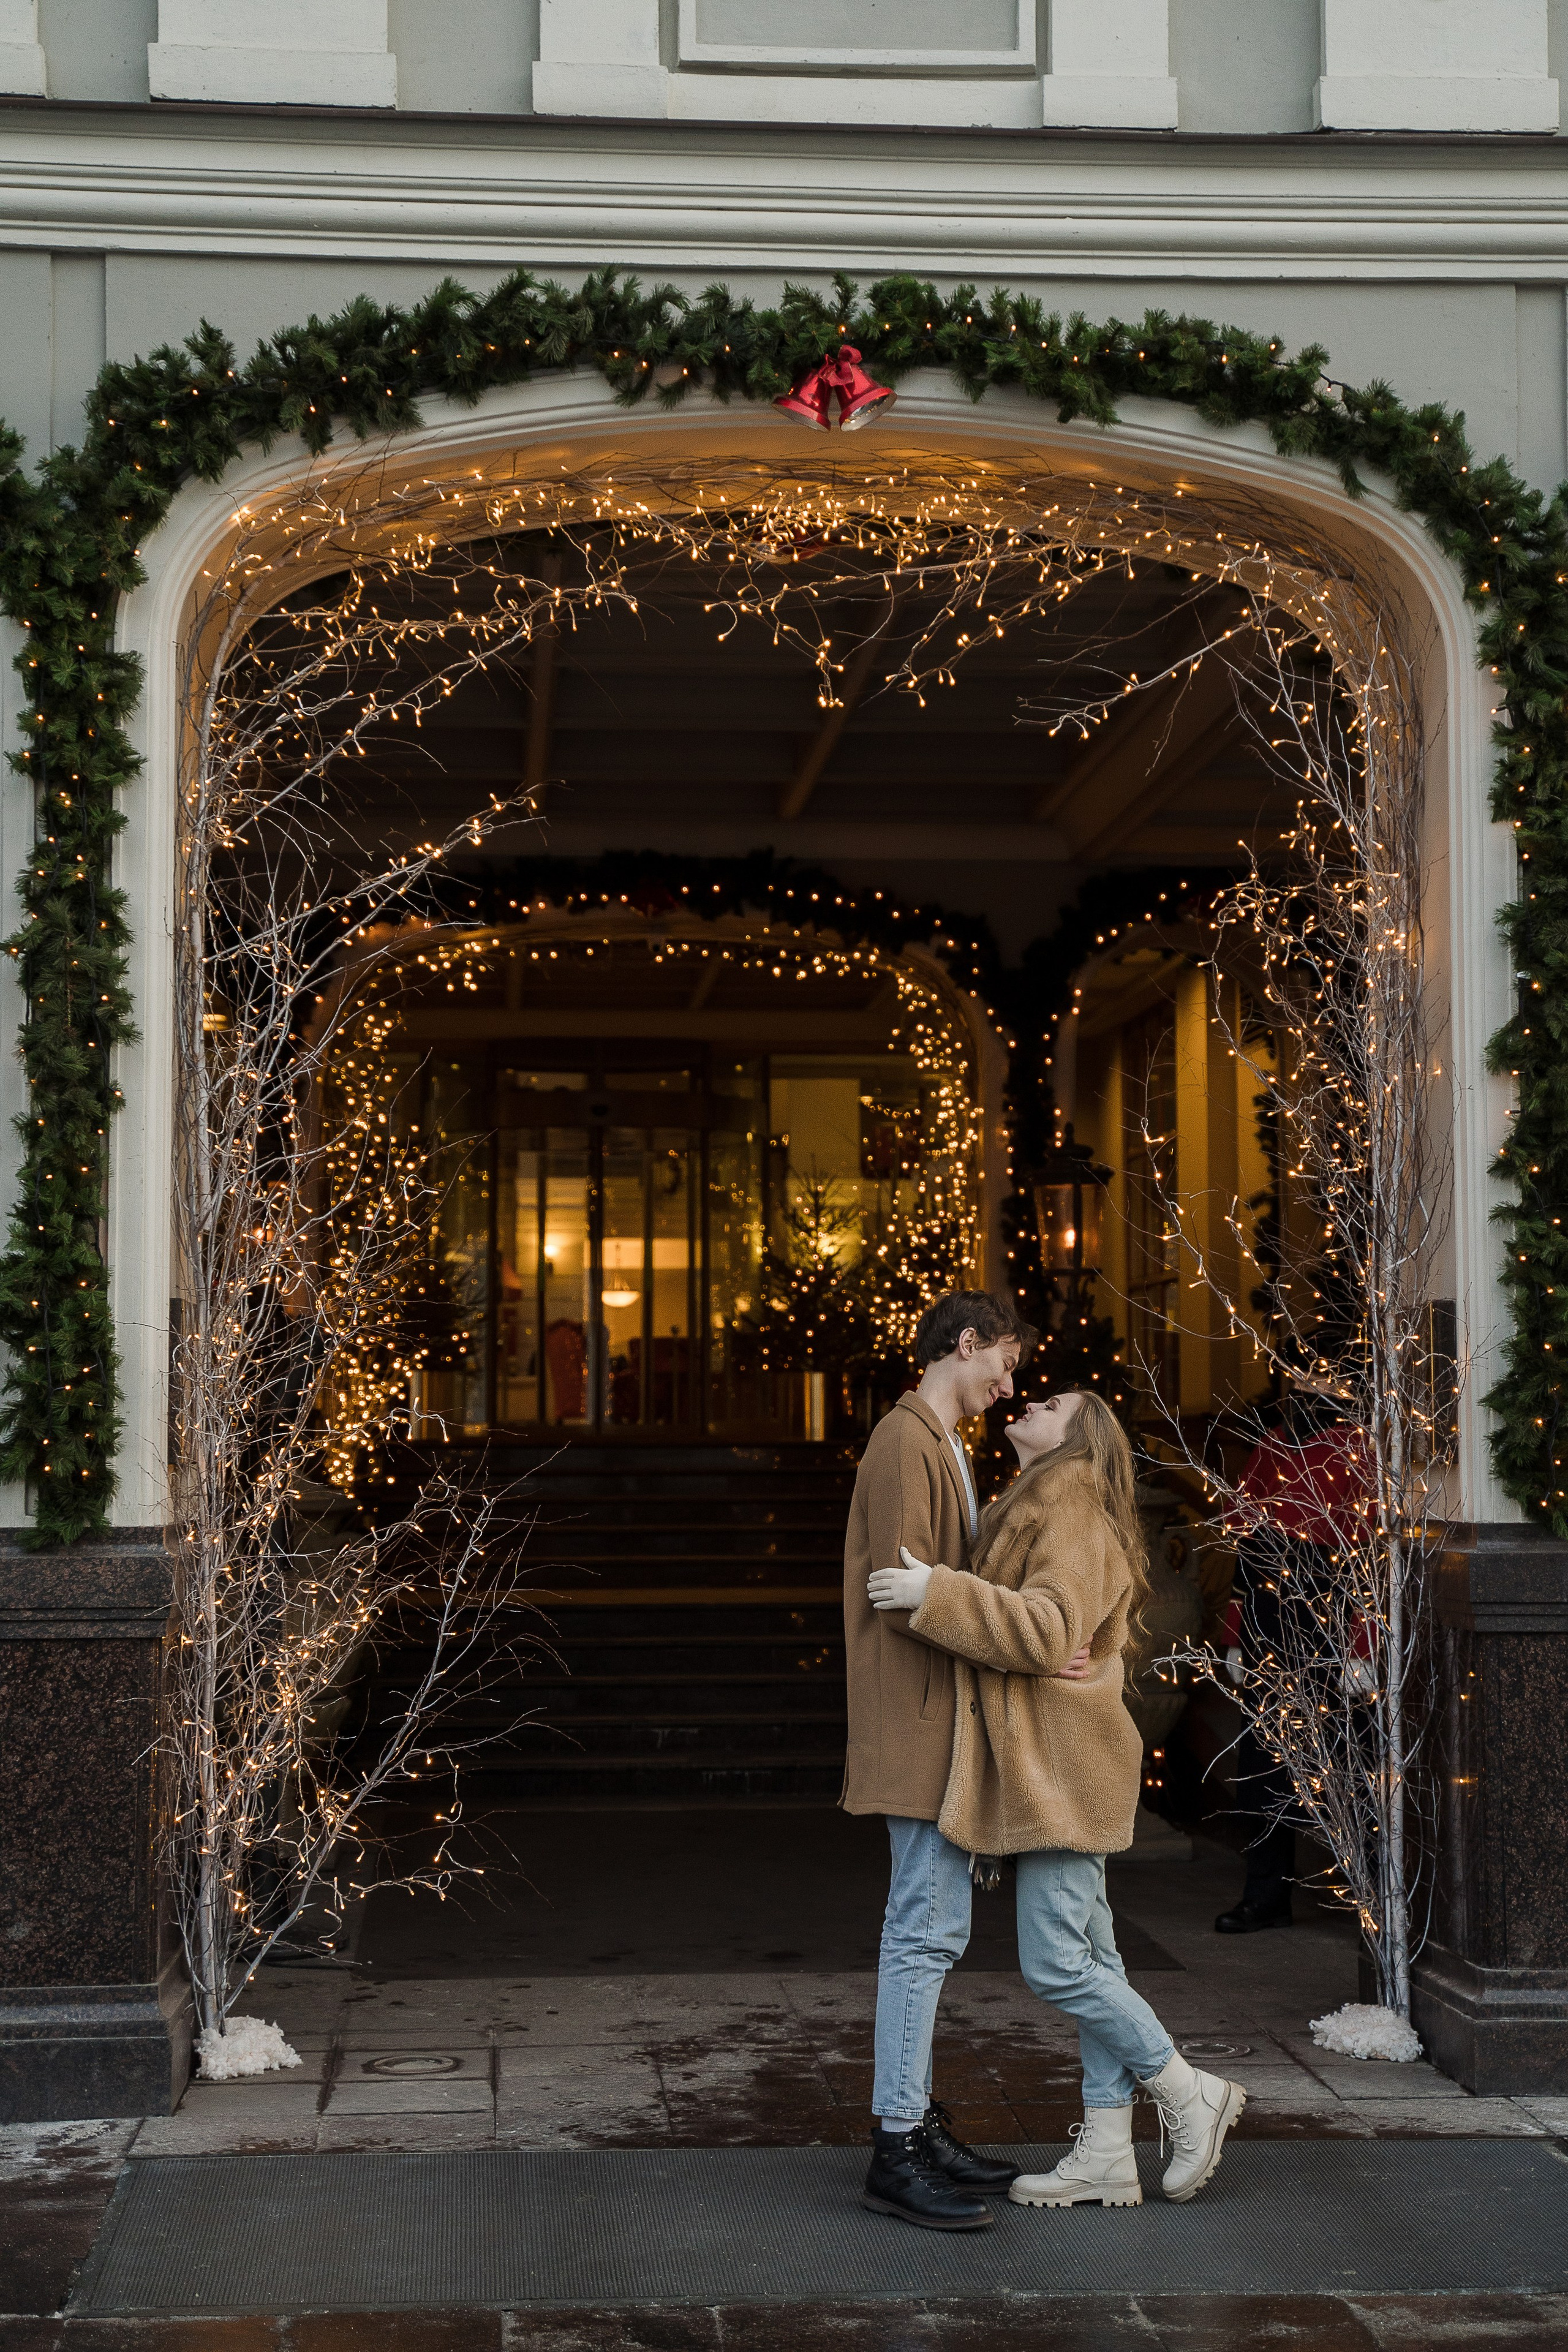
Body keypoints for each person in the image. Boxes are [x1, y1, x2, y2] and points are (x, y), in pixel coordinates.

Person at [875, 1388, 1247, 2212]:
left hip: (1066, 1774)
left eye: (1052, 1403)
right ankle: (1110, 2150)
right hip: (1052, 1767)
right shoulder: (1039, 1502)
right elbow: (1087, 1632)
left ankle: (1187, 2092)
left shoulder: (1070, 1502)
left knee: (1057, 1961)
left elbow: (1046, 1632)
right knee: (1095, 1959)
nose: (1030, 1400)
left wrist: (934, 1593)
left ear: (1079, 1441)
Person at [842, 1288, 1036, 2231]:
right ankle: (897, 2148)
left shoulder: (939, 1440)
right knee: (922, 1932)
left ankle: (914, 2128)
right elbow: (900, 1591)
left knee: (934, 1930)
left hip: (937, 1721)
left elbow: (935, 1585)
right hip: (920, 1721)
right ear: (967, 1345)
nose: (1010, 1384)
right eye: (1005, 1363)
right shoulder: (906, 1440)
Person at [1215, 1388, 1374, 1934]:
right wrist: (1237, 1635)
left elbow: (1370, 1558)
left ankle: (1371, 1899)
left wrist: (1362, 1645)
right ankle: (1266, 1894)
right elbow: (1243, 1545)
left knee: (1347, 1763)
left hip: (1328, 1617)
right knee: (1263, 1762)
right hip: (1268, 1618)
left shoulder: (1358, 1450)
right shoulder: (1270, 1446)